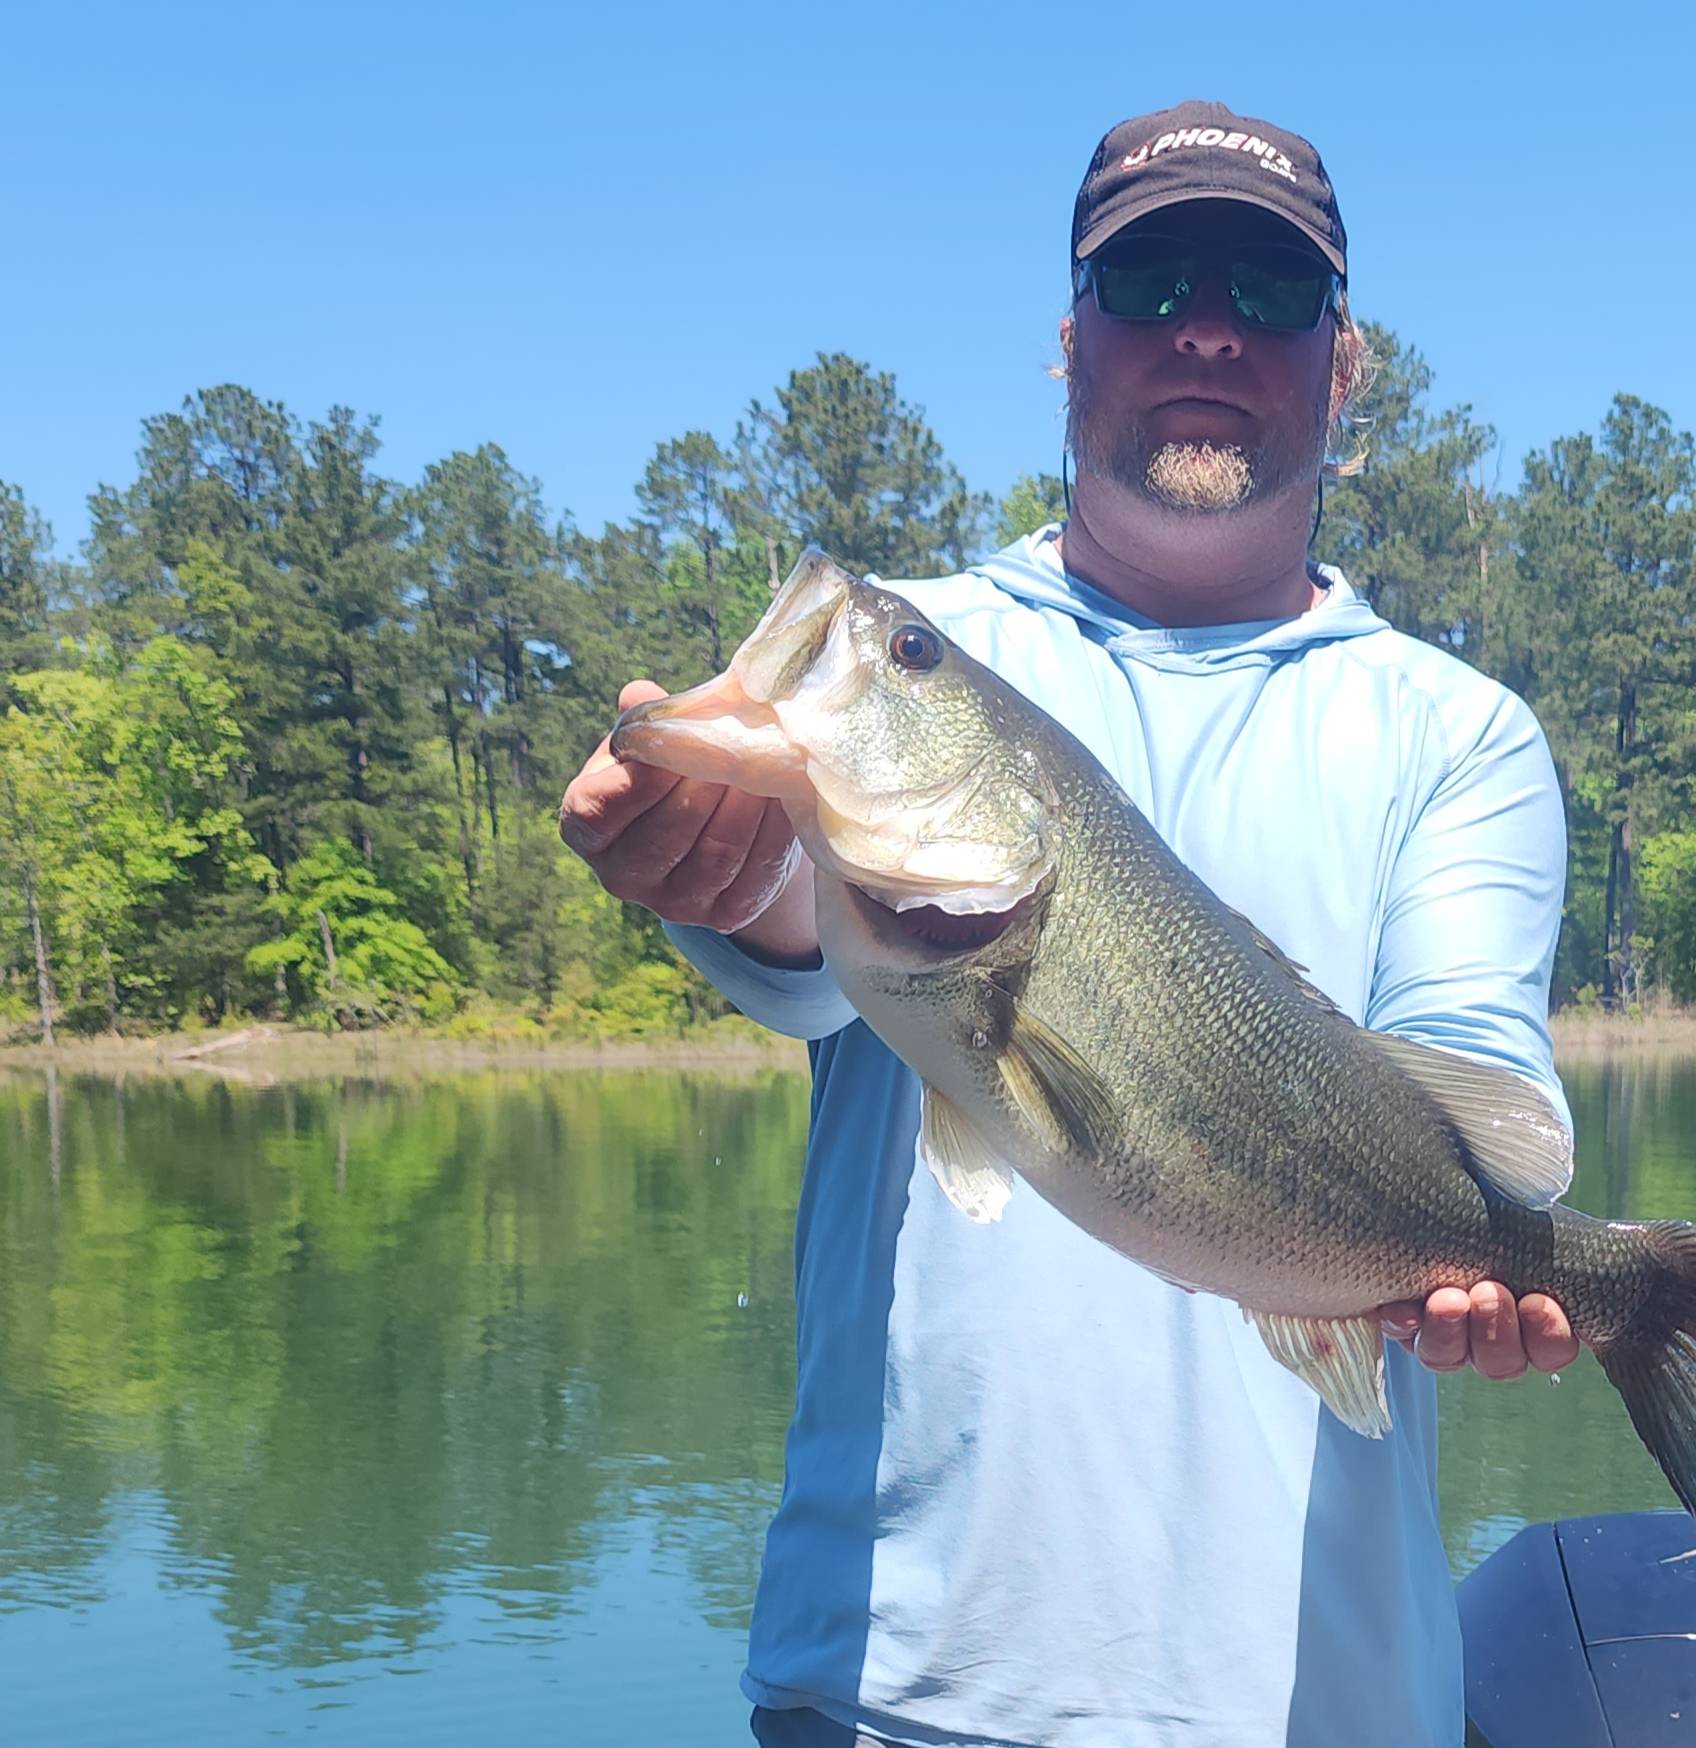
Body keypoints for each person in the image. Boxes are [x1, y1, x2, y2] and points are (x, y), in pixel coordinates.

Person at [560, 100, 1577, 1748]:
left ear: (1346, 362)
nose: (1203, 327)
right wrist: (718, 866)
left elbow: (1480, 1099)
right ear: (1067, 339)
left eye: (1267, 289)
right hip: (899, 1697)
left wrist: (1503, 1255)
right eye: (1149, 276)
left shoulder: (1456, 732)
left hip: (1323, 1708)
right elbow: (808, 929)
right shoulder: (934, 652)